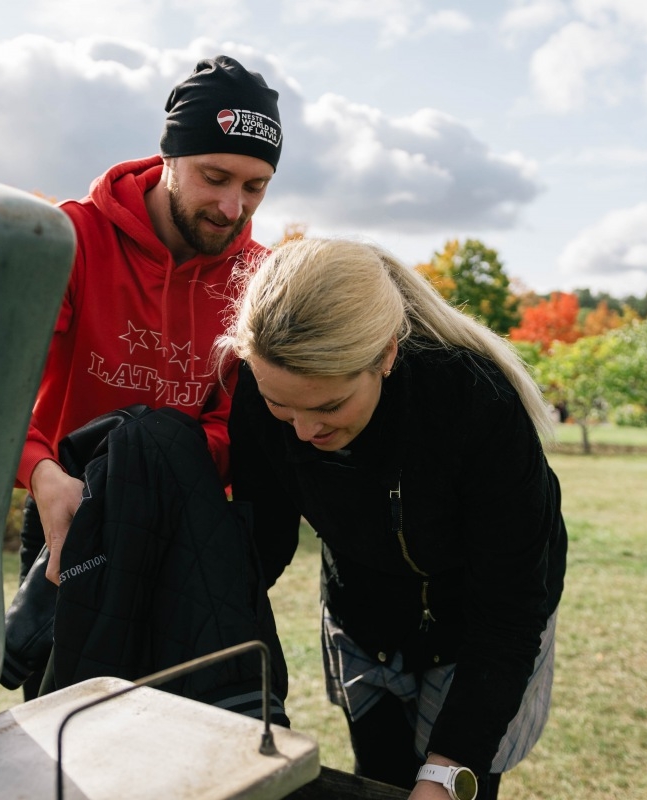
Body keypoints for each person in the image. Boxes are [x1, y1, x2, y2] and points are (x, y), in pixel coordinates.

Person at [219, 238, 568, 800]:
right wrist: (200, 623)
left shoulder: (474, 404)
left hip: (479, 626)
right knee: (379, 777)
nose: (305, 433)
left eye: (330, 406)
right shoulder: (255, 391)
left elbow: (507, 610)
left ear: (385, 354)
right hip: (364, 613)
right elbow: (264, 538)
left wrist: (448, 770)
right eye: (282, 406)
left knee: (452, 785)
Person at [9, 55, 282, 695]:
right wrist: (43, 475)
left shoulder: (262, 278)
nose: (231, 206)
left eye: (256, 186)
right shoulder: (71, 239)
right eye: (214, 176)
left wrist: (148, 467)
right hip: (66, 510)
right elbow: (0, 395)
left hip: (186, 523)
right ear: (168, 158)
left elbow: (232, 423)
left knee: (189, 736)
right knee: (68, 728)